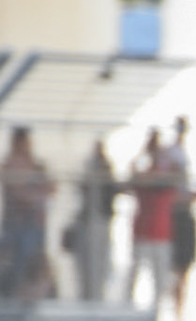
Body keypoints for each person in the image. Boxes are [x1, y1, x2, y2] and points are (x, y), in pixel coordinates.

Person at [127, 129, 177, 316]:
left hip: (162, 233)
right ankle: (128, 308)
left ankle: (158, 314)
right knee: (135, 272)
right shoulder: (143, 171)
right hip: (142, 231)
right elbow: (133, 177)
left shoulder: (167, 173)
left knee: (161, 277)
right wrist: (145, 152)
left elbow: (175, 176)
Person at [0, 127, 54, 299]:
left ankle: (32, 299)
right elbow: (17, 192)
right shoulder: (9, 164)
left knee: (34, 265)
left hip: (35, 224)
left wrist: (35, 194)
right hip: (17, 224)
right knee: (17, 265)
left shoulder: (37, 164)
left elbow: (51, 187)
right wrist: (35, 195)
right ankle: (14, 300)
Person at [66, 140, 121, 301]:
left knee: (101, 262)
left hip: (102, 221)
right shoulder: (86, 167)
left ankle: (98, 295)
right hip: (87, 222)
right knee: (86, 263)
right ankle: (85, 295)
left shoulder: (108, 170)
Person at [165, 116, 196, 321]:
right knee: (175, 270)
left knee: (183, 271)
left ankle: (179, 318)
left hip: (184, 216)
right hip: (175, 217)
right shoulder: (170, 155)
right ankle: (174, 318)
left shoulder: (183, 154)